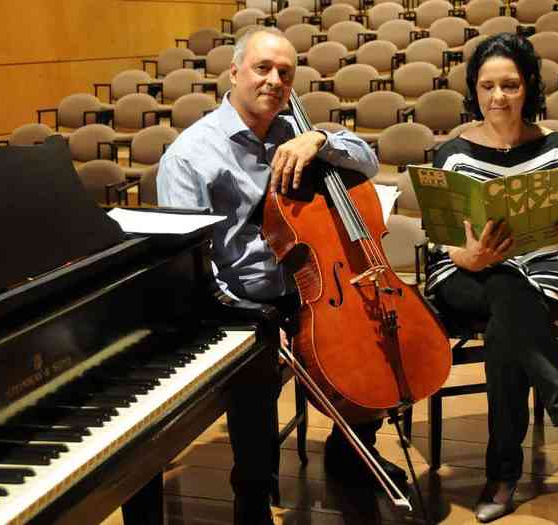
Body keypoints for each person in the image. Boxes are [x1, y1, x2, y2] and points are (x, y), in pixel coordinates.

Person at [157, 27, 405, 524]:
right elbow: (188, 264)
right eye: (262, 69)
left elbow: (369, 160)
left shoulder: (298, 130)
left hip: (314, 287)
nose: (274, 80)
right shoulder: (190, 155)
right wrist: (245, 311)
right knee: (257, 365)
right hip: (241, 298)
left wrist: (320, 137)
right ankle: (252, 490)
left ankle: (352, 449)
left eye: (285, 73)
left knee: (372, 334)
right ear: (234, 73)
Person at [427, 33, 558, 523]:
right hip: (465, 278)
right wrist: (474, 257)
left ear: (528, 86)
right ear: (474, 88)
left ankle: (503, 476)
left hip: (545, 272)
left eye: (509, 84)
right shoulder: (453, 153)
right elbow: (445, 248)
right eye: (487, 85)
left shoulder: (557, 147)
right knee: (504, 286)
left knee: (509, 310)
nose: (498, 97)